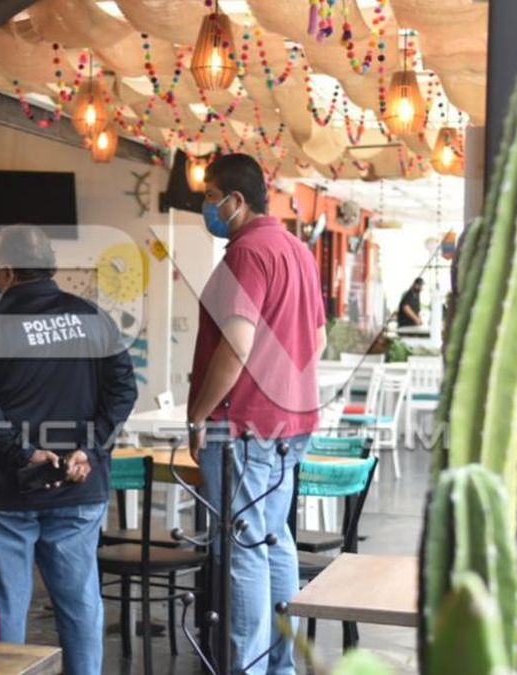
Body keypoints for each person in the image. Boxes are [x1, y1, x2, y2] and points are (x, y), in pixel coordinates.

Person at [0, 225, 137, 675]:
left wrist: (24, 452)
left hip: (5, 494)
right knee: (79, 605)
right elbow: (123, 391)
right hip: (77, 486)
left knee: (0, 610)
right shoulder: (92, 317)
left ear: (8, 270)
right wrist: (88, 449)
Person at [186, 153, 326, 675]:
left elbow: (236, 345)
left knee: (243, 547)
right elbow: (318, 339)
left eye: (209, 196)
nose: (206, 206)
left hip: (242, 424)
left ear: (235, 200)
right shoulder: (297, 251)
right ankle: (280, 666)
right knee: (274, 540)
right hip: (292, 422)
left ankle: (245, 668)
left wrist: (199, 414)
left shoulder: (246, 253)